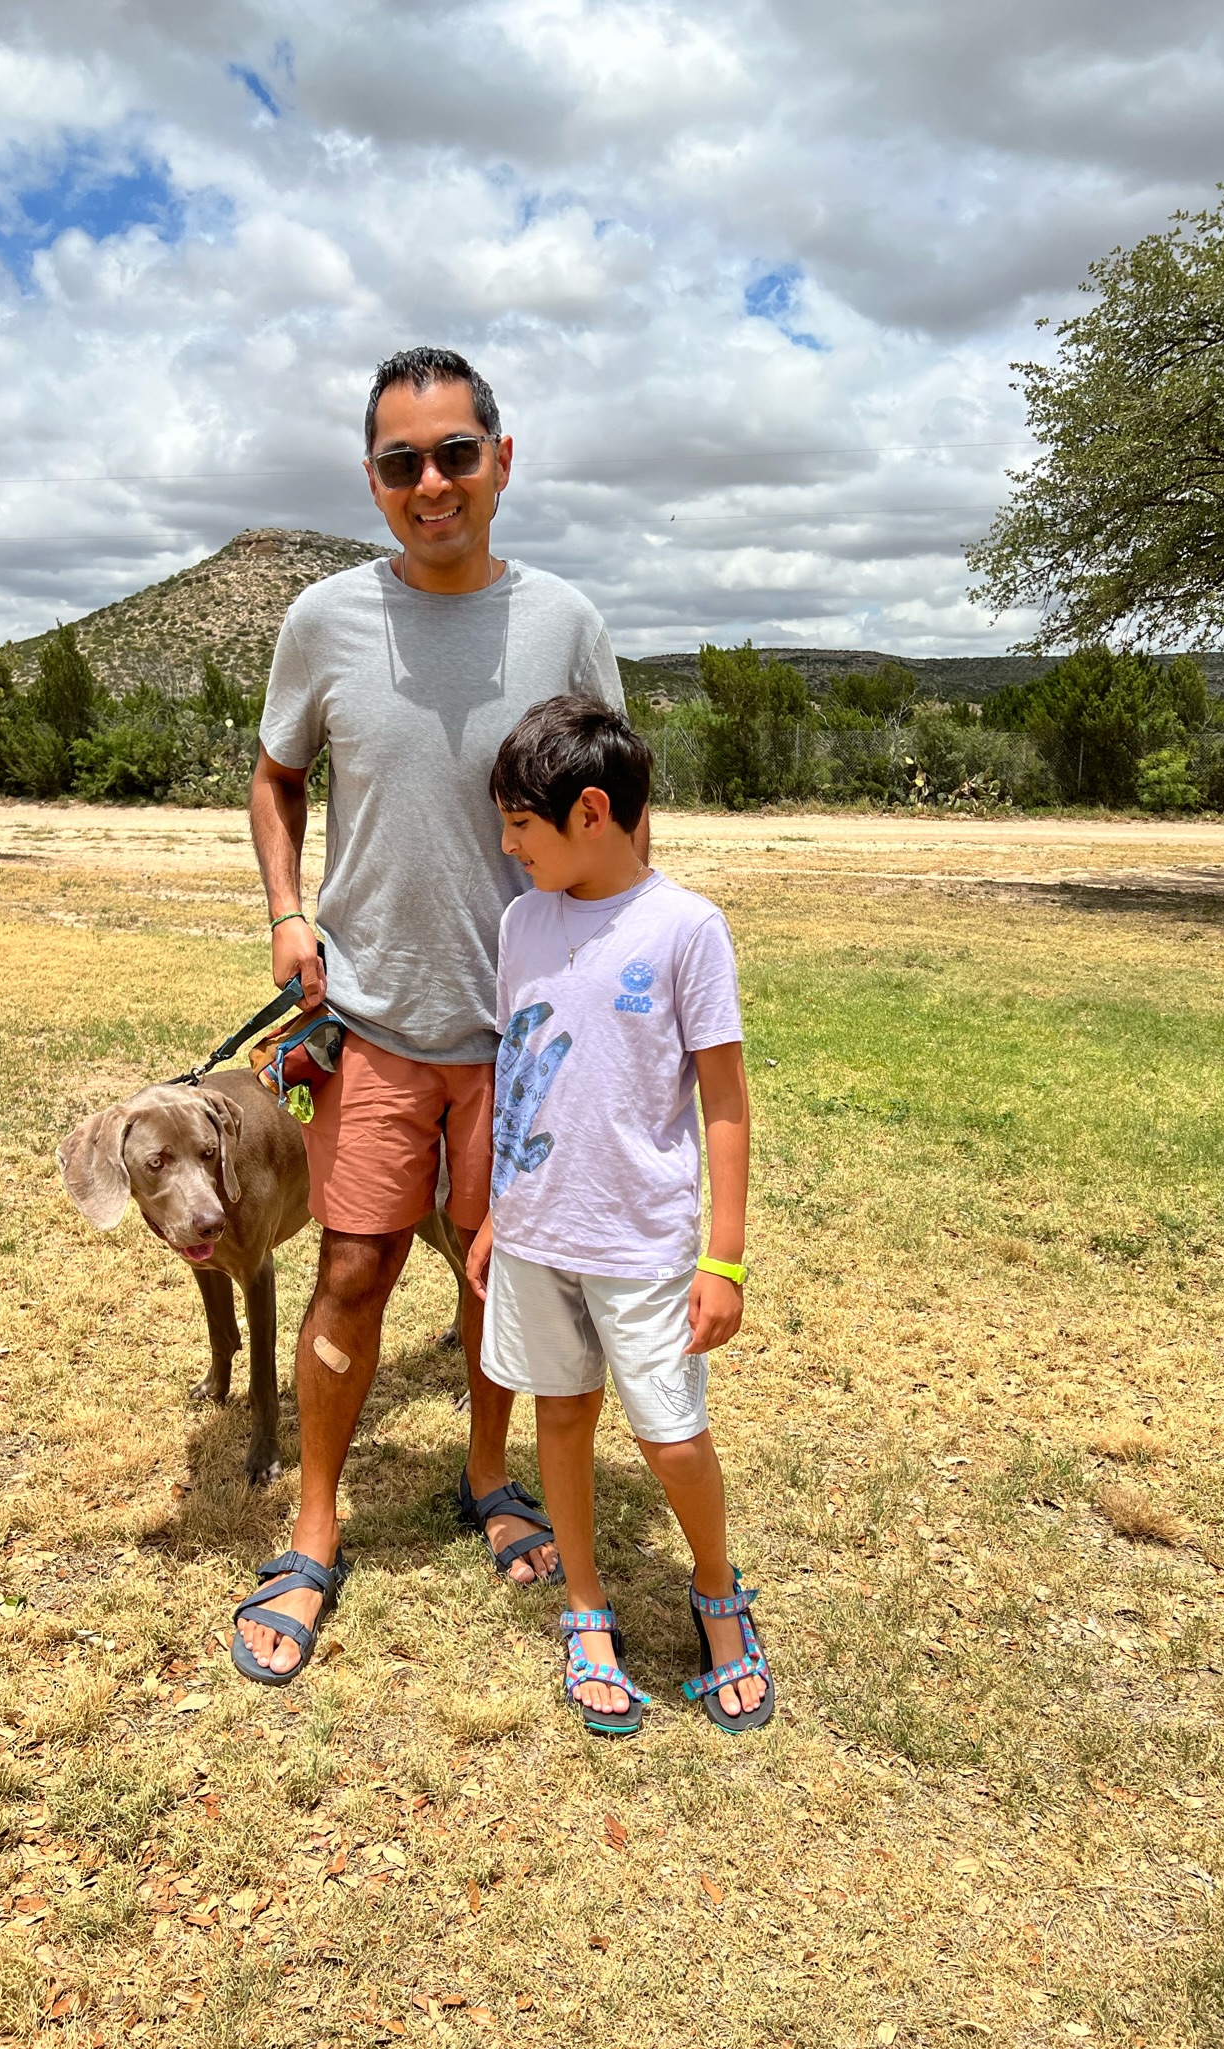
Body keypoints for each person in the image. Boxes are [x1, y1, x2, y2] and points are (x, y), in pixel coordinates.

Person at [232, 347, 634, 1684]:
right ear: (373, 480)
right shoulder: (323, 620)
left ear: (501, 461)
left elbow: (614, 818)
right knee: (353, 1269)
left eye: (456, 453)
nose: (431, 483)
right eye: (402, 462)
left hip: (525, 1037)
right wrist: (292, 914)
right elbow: (277, 775)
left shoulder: (567, 622)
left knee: (496, 1271)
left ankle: (486, 1475)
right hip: (375, 1022)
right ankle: (314, 1519)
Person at [465, 694, 773, 1736]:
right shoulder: (521, 923)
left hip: (641, 1244)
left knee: (671, 1433)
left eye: (520, 824)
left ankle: (718, 1591)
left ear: (590, 812)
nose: (507, 847)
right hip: (539, 1231)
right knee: (562, 1412)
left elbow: (723, 1098)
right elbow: (518, 1069)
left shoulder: (687, 928)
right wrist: (501, 1209)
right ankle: (586, 1604)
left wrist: (722, 1260)